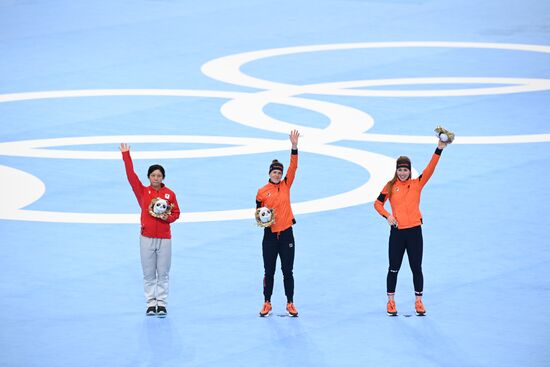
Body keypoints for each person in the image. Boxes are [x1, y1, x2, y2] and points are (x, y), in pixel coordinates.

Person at [374, 138, 448, 316]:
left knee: (417, 268)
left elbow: (430, 168)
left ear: (409, 171)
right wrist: (388, 216)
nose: (402, 173)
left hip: (415, 232)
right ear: (396, 170)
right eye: (399, 170)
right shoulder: (390, 186)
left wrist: (439, 149)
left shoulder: (417, 184)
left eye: (405, 170)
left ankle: (419, 301)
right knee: (393, 268)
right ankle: (391, 302)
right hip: (397, 233)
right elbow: (377, 204)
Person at [120, 143, 180, 317]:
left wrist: (166, 218)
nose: (156, 178)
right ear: (148, 177)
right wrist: (126, 155)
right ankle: (150, 303)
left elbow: (176, 213)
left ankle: (161, 303)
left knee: (163, 272)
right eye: (153, 175)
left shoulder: (170, 194)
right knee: (148, 273)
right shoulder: (142, 192)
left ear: (163, 177)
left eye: (159, 175)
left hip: (164, 238)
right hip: (146, 238)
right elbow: (131, 175)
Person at [256, 130, 300, 317]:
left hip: (287, 234)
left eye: (279, 172)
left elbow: (293, 167)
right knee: (269, 271)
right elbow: (257, 213)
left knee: (288, 271)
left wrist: (294, 147)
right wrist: (263, 220)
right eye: (274, 172)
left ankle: (290, 303)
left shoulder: (285, 185)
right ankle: (267, 302)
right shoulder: (261, 191)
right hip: (270, 236)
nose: (277, 174)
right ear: (269, 173)